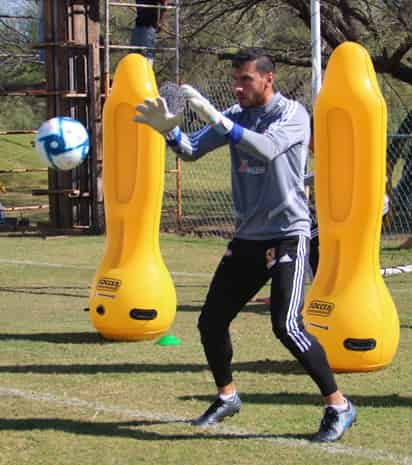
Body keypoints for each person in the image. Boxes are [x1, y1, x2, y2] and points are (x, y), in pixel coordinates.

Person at [134, 49, 356, 442]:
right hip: (248, 238)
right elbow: (190, 150)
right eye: (235, 80)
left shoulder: (294, 115)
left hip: (288, 232)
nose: (238, 87)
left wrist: (218, 118)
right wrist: (169, 130)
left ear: (269, 79)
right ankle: (227, 396)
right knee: (210, 322)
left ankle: (339, 405)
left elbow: (266, 149)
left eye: (246, 80)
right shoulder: (234, 115)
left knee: (286, 326)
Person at [131, 0, 168, 65]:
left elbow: (164, 4)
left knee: (147, 55)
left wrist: (161, 22)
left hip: (149, 27)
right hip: (138, 26)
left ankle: (147, 72)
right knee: (135, 55)